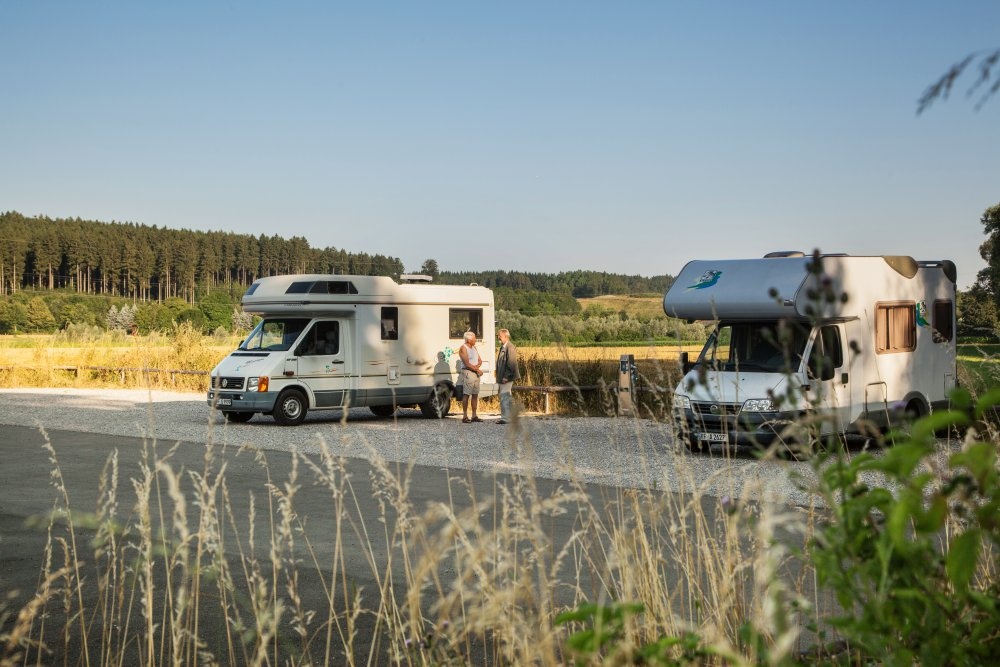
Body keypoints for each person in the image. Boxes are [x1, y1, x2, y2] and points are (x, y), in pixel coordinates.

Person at [495, 328, 519, 424]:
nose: (498, 337)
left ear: (505, 336)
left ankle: (505, 419)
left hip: (506, 378)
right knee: (506, 397)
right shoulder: (503, 347)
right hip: (502, 377)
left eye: (499, 336)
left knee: (504, 397)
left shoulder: (510, 347)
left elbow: (511, 364)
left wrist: (506, 376)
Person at [458, 330, 483, 423]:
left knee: (475, 394)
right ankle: (464, 415)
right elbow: (467, 363)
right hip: (468, 372)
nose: (476, 339)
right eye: (474, 338)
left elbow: (480, 360)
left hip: (476, 373)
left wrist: (477, 366)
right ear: (469, 339)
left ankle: (474, 415)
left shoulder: (474, 348)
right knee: (466, 394)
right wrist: (477, 369)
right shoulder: (463, 348)